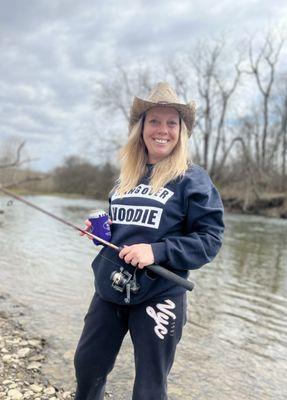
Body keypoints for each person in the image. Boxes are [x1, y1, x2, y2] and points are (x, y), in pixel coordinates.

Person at [74, 82, 225, 400]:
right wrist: (101, 234)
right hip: (109, 289)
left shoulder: (193, 179)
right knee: (87, 367)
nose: (163, 130)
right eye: (154, 121)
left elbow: (210, 239)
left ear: (181, 131)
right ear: (141, 128)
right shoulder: (125, 175)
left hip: (160, 295)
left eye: (172, 123)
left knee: (148, 388)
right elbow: (125, 232)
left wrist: (156, 251)